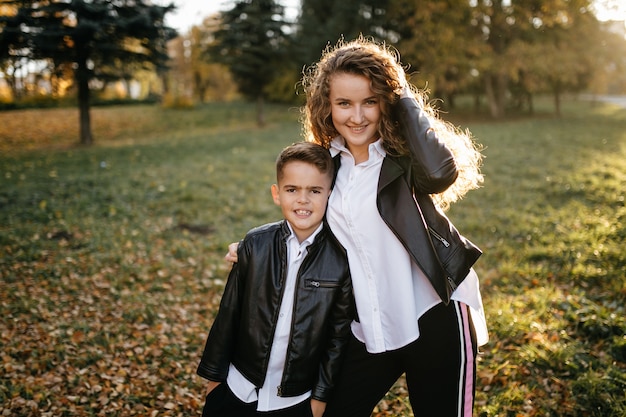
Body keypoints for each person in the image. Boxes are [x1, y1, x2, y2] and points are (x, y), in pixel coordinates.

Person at [227, 36, 488, 416]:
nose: (357, 116)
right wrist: (253, 246)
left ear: (386, 102)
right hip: (370, 325)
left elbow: (439, 172)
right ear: (326, 106)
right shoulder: (328, 163)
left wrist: (402, 94)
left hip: (435, 313)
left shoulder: (403, 158)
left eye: (370, 101)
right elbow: (304, 214)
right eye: (344, 103)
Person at [197, 141, 354, 417]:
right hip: (238, 387)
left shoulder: (340, 261)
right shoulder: (255, 245)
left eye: (314, 191)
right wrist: (214, 381)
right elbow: (228, 315)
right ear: (277, 194)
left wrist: (319, 400)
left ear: (329, 194)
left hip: (295, 399)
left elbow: (336, 338)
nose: (303, 200)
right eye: (292, 190)